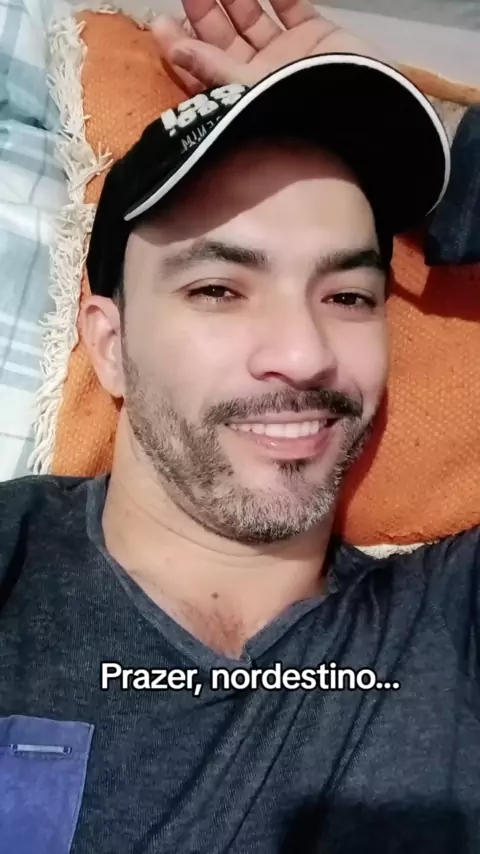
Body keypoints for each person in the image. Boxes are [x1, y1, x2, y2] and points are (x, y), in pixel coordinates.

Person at [0, 2, 477, 853]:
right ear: (108, 346)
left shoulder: (451, 624)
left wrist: (452, 144)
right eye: (218, 289)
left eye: (349, 296)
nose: (304, 354)